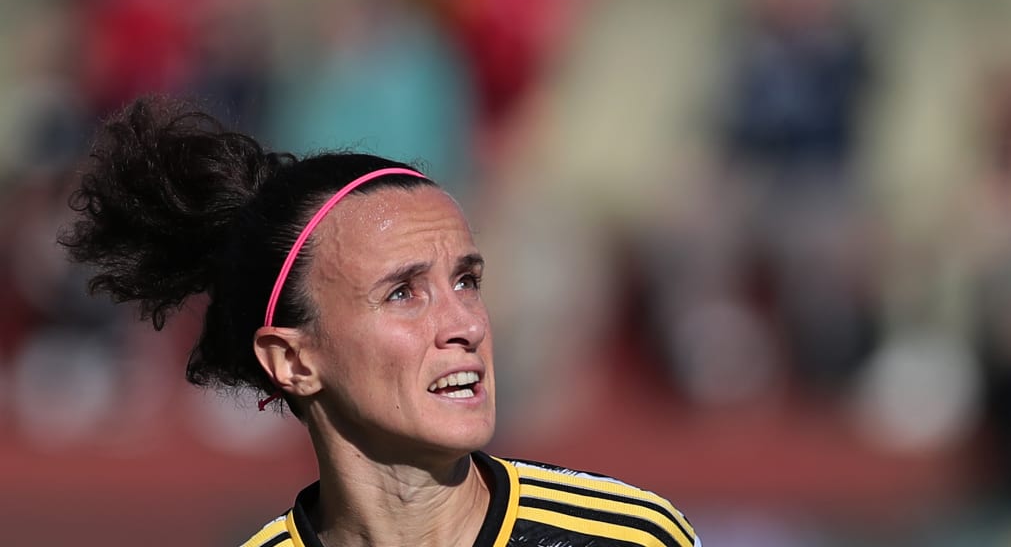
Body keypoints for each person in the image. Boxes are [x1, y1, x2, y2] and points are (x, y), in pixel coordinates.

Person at [59, 95, 701, 547]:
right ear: (293, 360)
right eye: (403, 293)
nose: (467, 325)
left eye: (466, 281)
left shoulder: (631, 536)